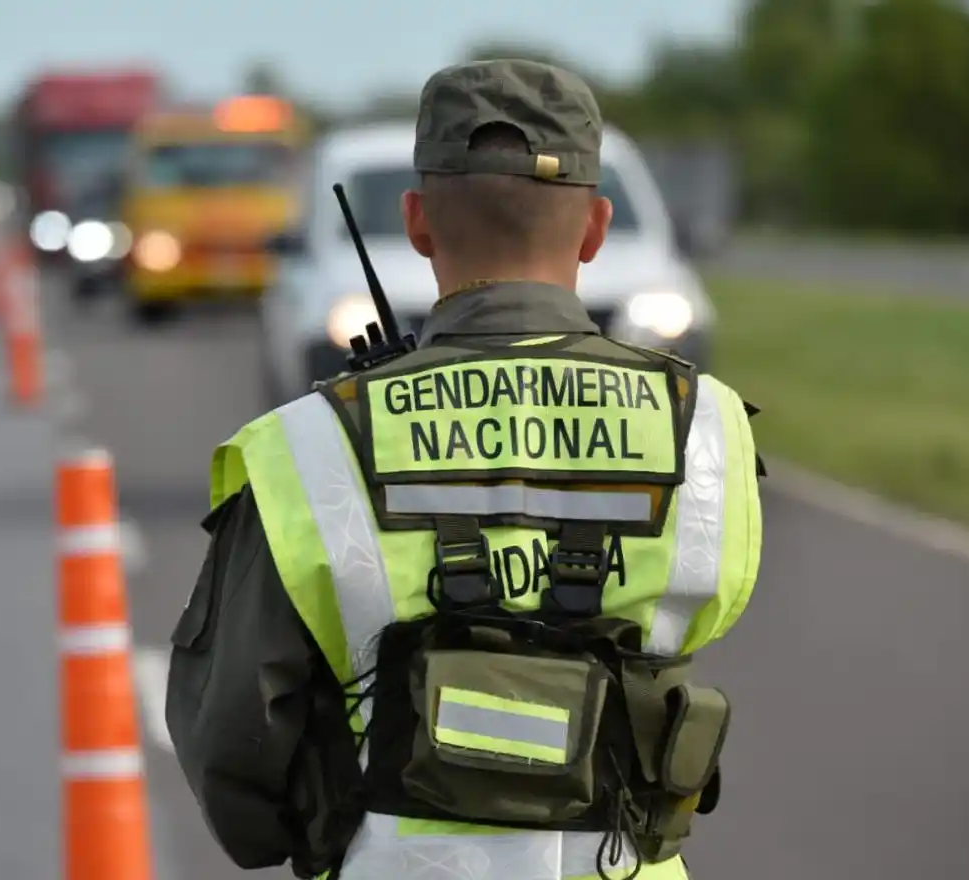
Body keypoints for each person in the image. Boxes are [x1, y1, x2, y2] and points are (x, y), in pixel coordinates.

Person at [166, 58, 764, 880]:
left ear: (417, 223)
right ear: (595, 229)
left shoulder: (308, 444)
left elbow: (232, 744)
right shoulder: (707, 428)